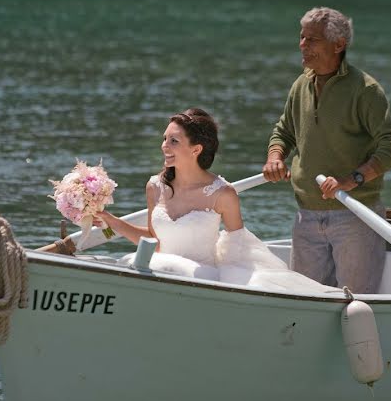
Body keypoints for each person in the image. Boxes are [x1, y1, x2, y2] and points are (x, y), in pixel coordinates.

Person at [96, 108, 336, 293]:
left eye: (173, 141)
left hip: (201, 282)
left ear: (196, 149)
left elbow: (238, 249)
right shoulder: (155, 187)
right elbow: (155, 242)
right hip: (161, 276)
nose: (164, 146)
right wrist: (111, 222)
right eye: (164, 139)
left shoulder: (223, 194)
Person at [263, 7, 391, 294]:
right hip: (306, 215)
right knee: (304, 304)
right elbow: (284, 131)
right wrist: (275, 156)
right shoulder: (300, 85)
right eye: (302, 37)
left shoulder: (365, 89)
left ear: (338, 45)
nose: (303, 45)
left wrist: (353, 179)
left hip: (356, 216)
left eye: (312, 39)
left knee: (355, 305)